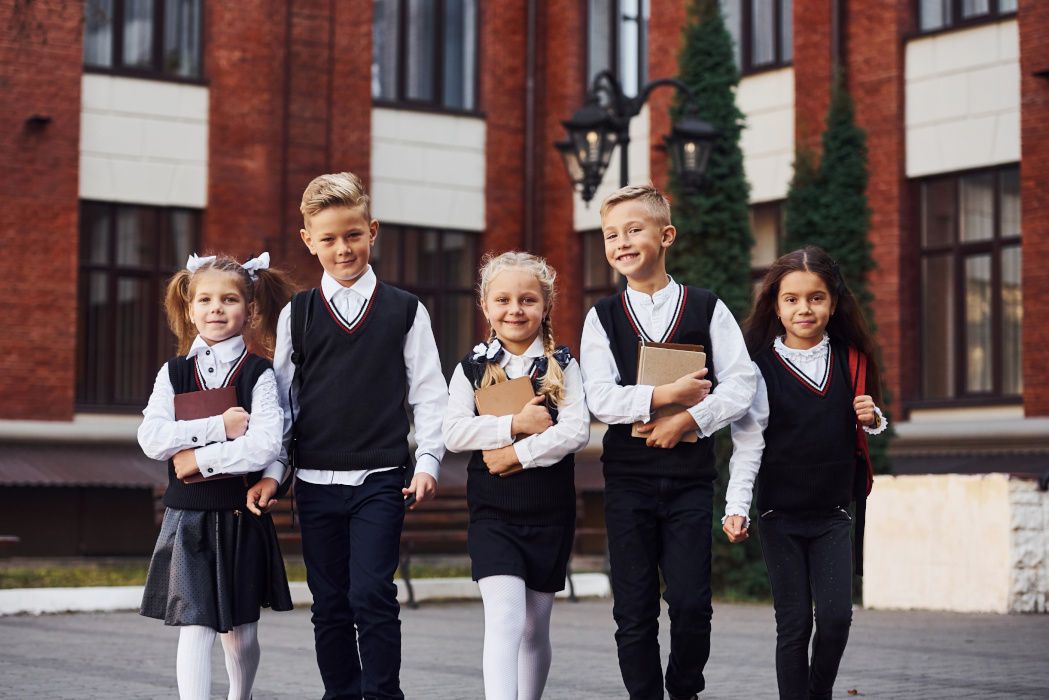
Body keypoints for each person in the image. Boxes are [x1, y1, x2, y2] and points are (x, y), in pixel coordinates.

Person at [271, 171, 448, 700]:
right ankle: (340, 694)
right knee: (328, 602)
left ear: (372, 230)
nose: (342, 248)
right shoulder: (296, 315)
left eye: (352, 235)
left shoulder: (405, 310)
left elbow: (429, 394)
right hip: (315, 481)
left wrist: (428, 462)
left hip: (381, 477)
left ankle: (383, 694)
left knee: (372, 592)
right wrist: (273, 472)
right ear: (309, 241)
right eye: (328, 239)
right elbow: (281, 404)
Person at [579, 184, 757, 700]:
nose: (621, 242)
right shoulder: (602, 317)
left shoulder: (707, 308)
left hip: (689, 483)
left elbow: (741, 386)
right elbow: (600, 399)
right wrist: (665, 395)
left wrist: (690, 420)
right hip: (628, 482)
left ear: (666, 236)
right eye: (611, 234)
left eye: (634, 230)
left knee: (692, 604)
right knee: (633, 609)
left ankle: (683, 690)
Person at [723, 245, 886, 700]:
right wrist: (736, 507)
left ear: (833, 303)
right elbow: (749, 444)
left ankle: (818, 693)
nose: (804, 308)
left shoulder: (853, 360)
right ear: (775, 305)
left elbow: (866, 422)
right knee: (793, 625)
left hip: (833, 513)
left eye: (816, 298)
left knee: (835, 620)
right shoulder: (758, 371)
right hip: (780, 517)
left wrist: (872, 418)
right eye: (791, 298)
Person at [138, 253, 297, 700]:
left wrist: (196, 459)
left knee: (241, 635)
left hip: (240, 516)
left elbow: (266, 444)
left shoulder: (259, 374)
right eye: (205, 299)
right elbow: (152, 439)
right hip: (188, 518)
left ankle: (239, 695)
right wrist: (219, 428)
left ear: (249, 309)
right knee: (195, 626)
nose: (216, 308)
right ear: (190, 309)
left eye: (229, 299)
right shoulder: (173, 374)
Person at [443, 251, 590, 700]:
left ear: (545, 306)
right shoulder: (470, 368)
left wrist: (516, 455)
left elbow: (576, 431)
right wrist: (515, 425)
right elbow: (452, 433)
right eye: (503, 300)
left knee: (533, 629)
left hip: (549, 512)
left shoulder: (563, 365)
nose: (515, 310)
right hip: (492, 513)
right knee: (505, 619)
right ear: (485, 307)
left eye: (527, 300)